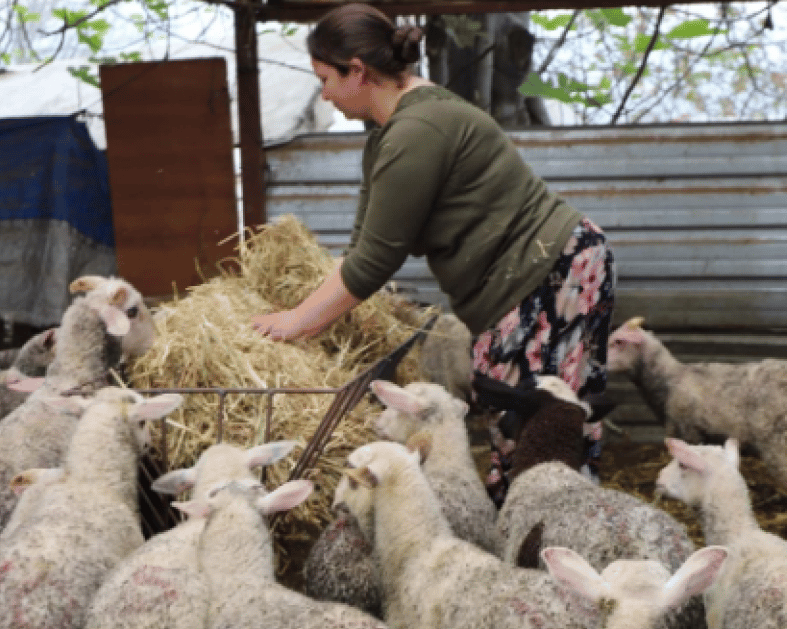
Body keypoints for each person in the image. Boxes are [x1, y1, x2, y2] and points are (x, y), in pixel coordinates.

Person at [251, 2, 615, 504]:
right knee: (519, 417)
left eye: (325, 80)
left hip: (551, 271)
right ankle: (538, 522)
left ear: (357, 71)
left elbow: (373, 264)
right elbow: (362, 245)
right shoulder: (388, 133)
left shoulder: (416, 131)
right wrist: (303, 306)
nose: (325, 94)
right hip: (532, 272)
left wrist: (296, 323)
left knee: (539, 423)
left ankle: (557, 527)